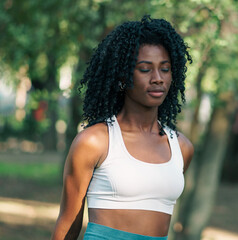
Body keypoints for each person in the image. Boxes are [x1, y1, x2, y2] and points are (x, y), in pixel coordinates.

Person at [51, 15, 193, 240]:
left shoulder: (181, 147)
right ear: (122, 77)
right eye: (145, 69)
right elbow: (68, 223)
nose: (158, 79)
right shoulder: (95, 141)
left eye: (164, 69)